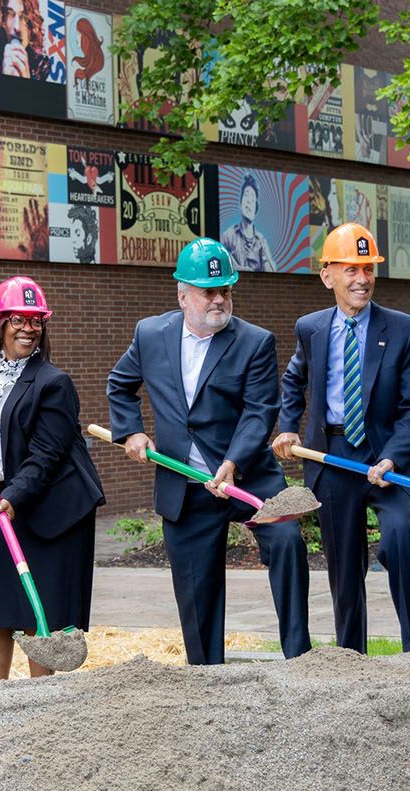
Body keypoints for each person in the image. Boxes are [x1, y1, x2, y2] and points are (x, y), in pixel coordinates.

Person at [107, 238, 311, 662]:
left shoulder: (254, 342)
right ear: (183, 294)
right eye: (208, 292)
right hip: (185, 484)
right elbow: (120, 385)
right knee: (196, 590)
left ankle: (299, 658)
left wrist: (232, 464)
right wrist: (131, 433)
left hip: (248, 475)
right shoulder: (150, 334)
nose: (219, 300)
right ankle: (206, 676)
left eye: (226, 291)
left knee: (287, 539)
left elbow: (259, 413)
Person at [273, 223, 410, 654]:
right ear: (328, 276)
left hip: (386, 456)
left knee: (400, 536)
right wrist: (288, 425)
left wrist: (394, 458)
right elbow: (293, 381)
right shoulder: (311, 328)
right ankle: (350, 658)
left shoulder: (404, 329)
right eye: (351, 269)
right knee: (344, 568)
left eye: (368, 268)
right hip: (332, 457)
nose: (361, 279)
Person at [0, 277, 105, 679]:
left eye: (36, 321)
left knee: (38, 609)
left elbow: (46, 454)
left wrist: (14, 497)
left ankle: (38, 699)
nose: (28, 328)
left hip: (41, 507)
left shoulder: (55, 383)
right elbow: (3, 399)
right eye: (18, 319)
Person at [219, 172, 279, 272]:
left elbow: (270, 270)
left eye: (252, 198)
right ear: (240, 203)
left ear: (256, 208)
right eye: (246, 195)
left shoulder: (261, 241)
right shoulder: (228, 236)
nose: (249, 201)